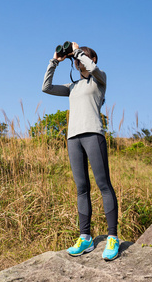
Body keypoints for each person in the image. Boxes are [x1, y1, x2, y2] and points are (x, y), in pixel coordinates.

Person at [41, 42, 120, 261]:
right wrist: (55, 62)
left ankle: (113, 237)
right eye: (76, 58)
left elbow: (92, 69)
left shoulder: (99, 79)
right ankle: (85, 237)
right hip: (73, 138)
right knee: (81, 188)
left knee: (104, 185)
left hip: (93, 134)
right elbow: (46, 88)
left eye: (82, 57)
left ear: (91, 59)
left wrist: (78, 51)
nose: (77, 60)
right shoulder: (71, 87)